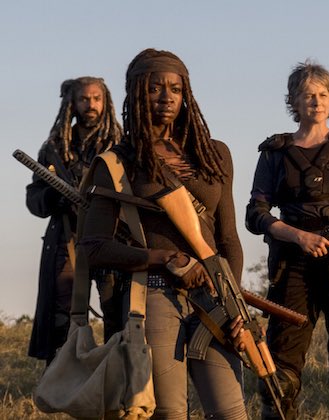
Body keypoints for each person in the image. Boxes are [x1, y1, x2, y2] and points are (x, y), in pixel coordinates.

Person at [78, 48, 247, 419]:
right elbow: (92, 247)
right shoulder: (117, 162)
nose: (167, 97)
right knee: (168, 412)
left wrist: (233, 304)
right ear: (136, 93)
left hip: (213, 298)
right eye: (155, 88)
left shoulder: (215, 154)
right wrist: (165, 258)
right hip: (152, 297)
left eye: (176, 89)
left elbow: (229, 239)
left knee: (232, 411)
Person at [245, 60, 329, 420]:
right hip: (293, 265)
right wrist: (298, 236)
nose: (316, 101)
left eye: (322, 94)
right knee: (280, 378)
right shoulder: (275, 152)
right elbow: (255, 214)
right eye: (307, 95)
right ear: (294, 102)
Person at [26, 76, 122, 364]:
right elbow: (35, 199)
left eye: (96, 98)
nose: (90, 104)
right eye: (84, 99)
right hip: (66, 239)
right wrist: (56, 197)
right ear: (73, 103)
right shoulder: (55, 147)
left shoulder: (120, 145)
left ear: (105, 102)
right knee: (62, 315)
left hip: (110, 238)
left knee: (115, 311)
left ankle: (115, 376)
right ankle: (61, 377)